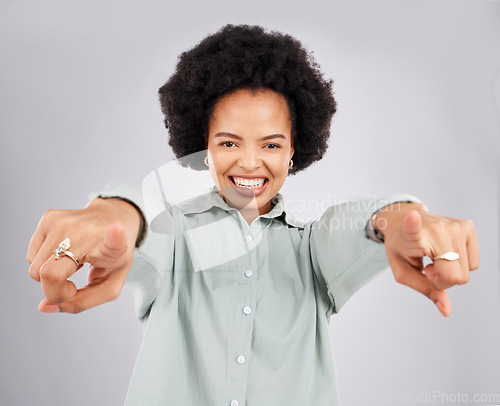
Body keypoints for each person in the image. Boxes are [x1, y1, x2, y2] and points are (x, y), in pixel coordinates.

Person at [27, 25, 479, 405]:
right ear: (204, 147)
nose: (248, 163)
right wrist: (115, 212)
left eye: (270, 144)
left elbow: (362, 228)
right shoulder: (175, 235)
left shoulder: (311, 250)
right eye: (228, 142)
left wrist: (400, 220)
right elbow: (140, 230)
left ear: (293, 150)